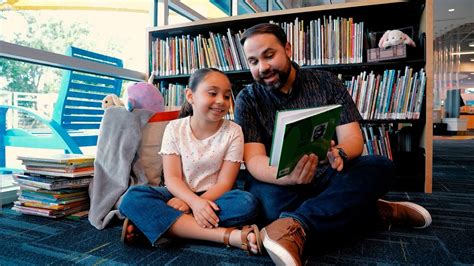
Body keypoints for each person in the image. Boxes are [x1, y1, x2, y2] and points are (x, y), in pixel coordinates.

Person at [234, 23, 432, 265]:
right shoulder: (247, 99)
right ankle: (371, 211)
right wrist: (288, 176)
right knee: (270, 208)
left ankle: (295, 226)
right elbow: (254, 160)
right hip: (278, 180)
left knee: (381, 166)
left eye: (269, 55)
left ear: (288, 48)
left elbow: (353, 140)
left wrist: (339, 153)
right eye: (253, 61)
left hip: (327, 173)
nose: (263, 67)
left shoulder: (326, 82)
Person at [119, 68, 263, 255]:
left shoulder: (234, 131)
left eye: (227, 96)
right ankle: (229, 236)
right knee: (132, 197)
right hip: (177, 193)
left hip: (214, 197)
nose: (221, 101)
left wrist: (193, 204)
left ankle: (161, 225)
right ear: (190, 95)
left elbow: (225, 183)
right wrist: (192, 202)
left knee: (246, 203)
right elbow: (172, 179)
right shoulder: (175, 128)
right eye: (212, 93)